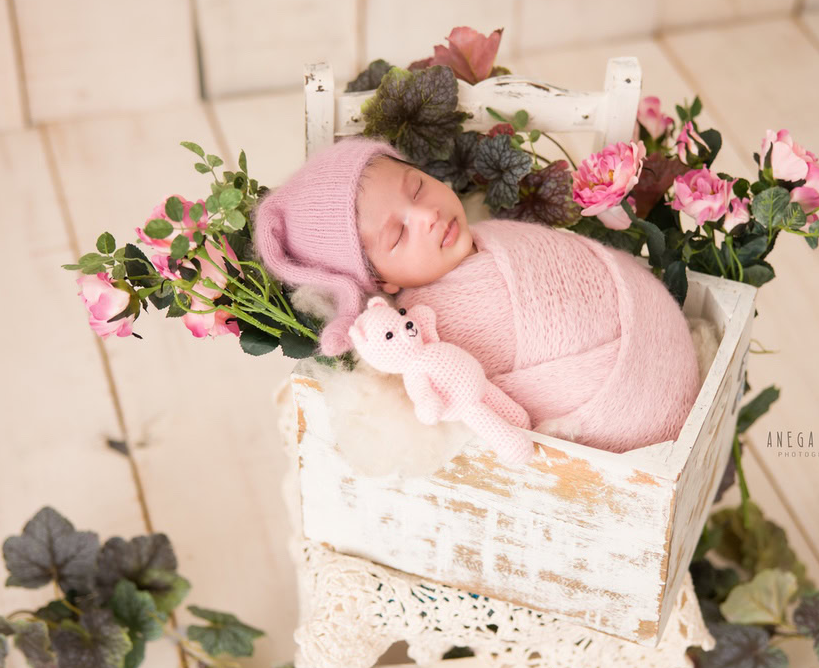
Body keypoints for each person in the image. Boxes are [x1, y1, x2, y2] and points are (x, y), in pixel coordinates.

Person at [253, 135, 702, 454]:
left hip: (659, 337)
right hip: (626, 413)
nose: (426, 214)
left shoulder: (489, 234)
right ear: (382, 282)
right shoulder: (430, 322)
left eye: (418, 186)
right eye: (398, 235)